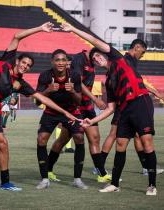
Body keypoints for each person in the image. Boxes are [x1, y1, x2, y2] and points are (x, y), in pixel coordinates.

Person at [0, 22, 76, 194]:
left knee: (3, 144)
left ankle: (5, 183)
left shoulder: (22, 84)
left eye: (28, 66)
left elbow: (40, 97)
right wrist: (40, 29)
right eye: (23, 62)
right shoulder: (6, 61)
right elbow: (17, 36)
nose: (25, 66)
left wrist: (64, 112)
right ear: (17, 61)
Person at [63, 23, 158, 195]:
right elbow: (110, 108)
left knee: (146, 142)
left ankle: (151, 185)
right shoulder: (108, 82)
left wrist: (73, 29)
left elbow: (93, 39)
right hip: (125, 109)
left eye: (100, 56)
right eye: (95, 59)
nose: (98, 59)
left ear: (105, 55)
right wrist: (91, 121)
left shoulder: (119, 58)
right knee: (120, 144)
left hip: (140, 102)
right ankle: (114, 183)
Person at [47, 32, 110, 183]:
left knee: (94, 138)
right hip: (76, 106)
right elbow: (78, 83)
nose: (97, 59)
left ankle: (102, 174)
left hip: (87, 106)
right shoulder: (78, 60)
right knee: (64, 139)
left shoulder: (91, 63)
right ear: (93, 50)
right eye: (97, 56)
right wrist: (96, 98)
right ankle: (47, 170)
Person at [95, 40, 164, 176]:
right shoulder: (127, 59)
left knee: (137, 135)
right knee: (115, 134)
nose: (142, 55)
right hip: (125, 104)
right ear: (137, 48)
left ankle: (145, 166)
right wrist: (155, 92)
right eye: (142, 52)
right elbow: (132, 81)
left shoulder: (129, 61)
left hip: (126, 104)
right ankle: (99, 166)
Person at [36, 49, 87, 190]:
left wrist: (73, 92)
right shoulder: (45, 76)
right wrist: (48, 90)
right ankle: (45, 179)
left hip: (71, 112)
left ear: (67, 62)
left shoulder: (75, 76)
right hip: (51, 112)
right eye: (57, 60)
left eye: (63, 60)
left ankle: (77, 179)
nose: (60, 63)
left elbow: (79, 101)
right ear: (52, 61)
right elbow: (37, 102)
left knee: (79, 138)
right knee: (41, 139)